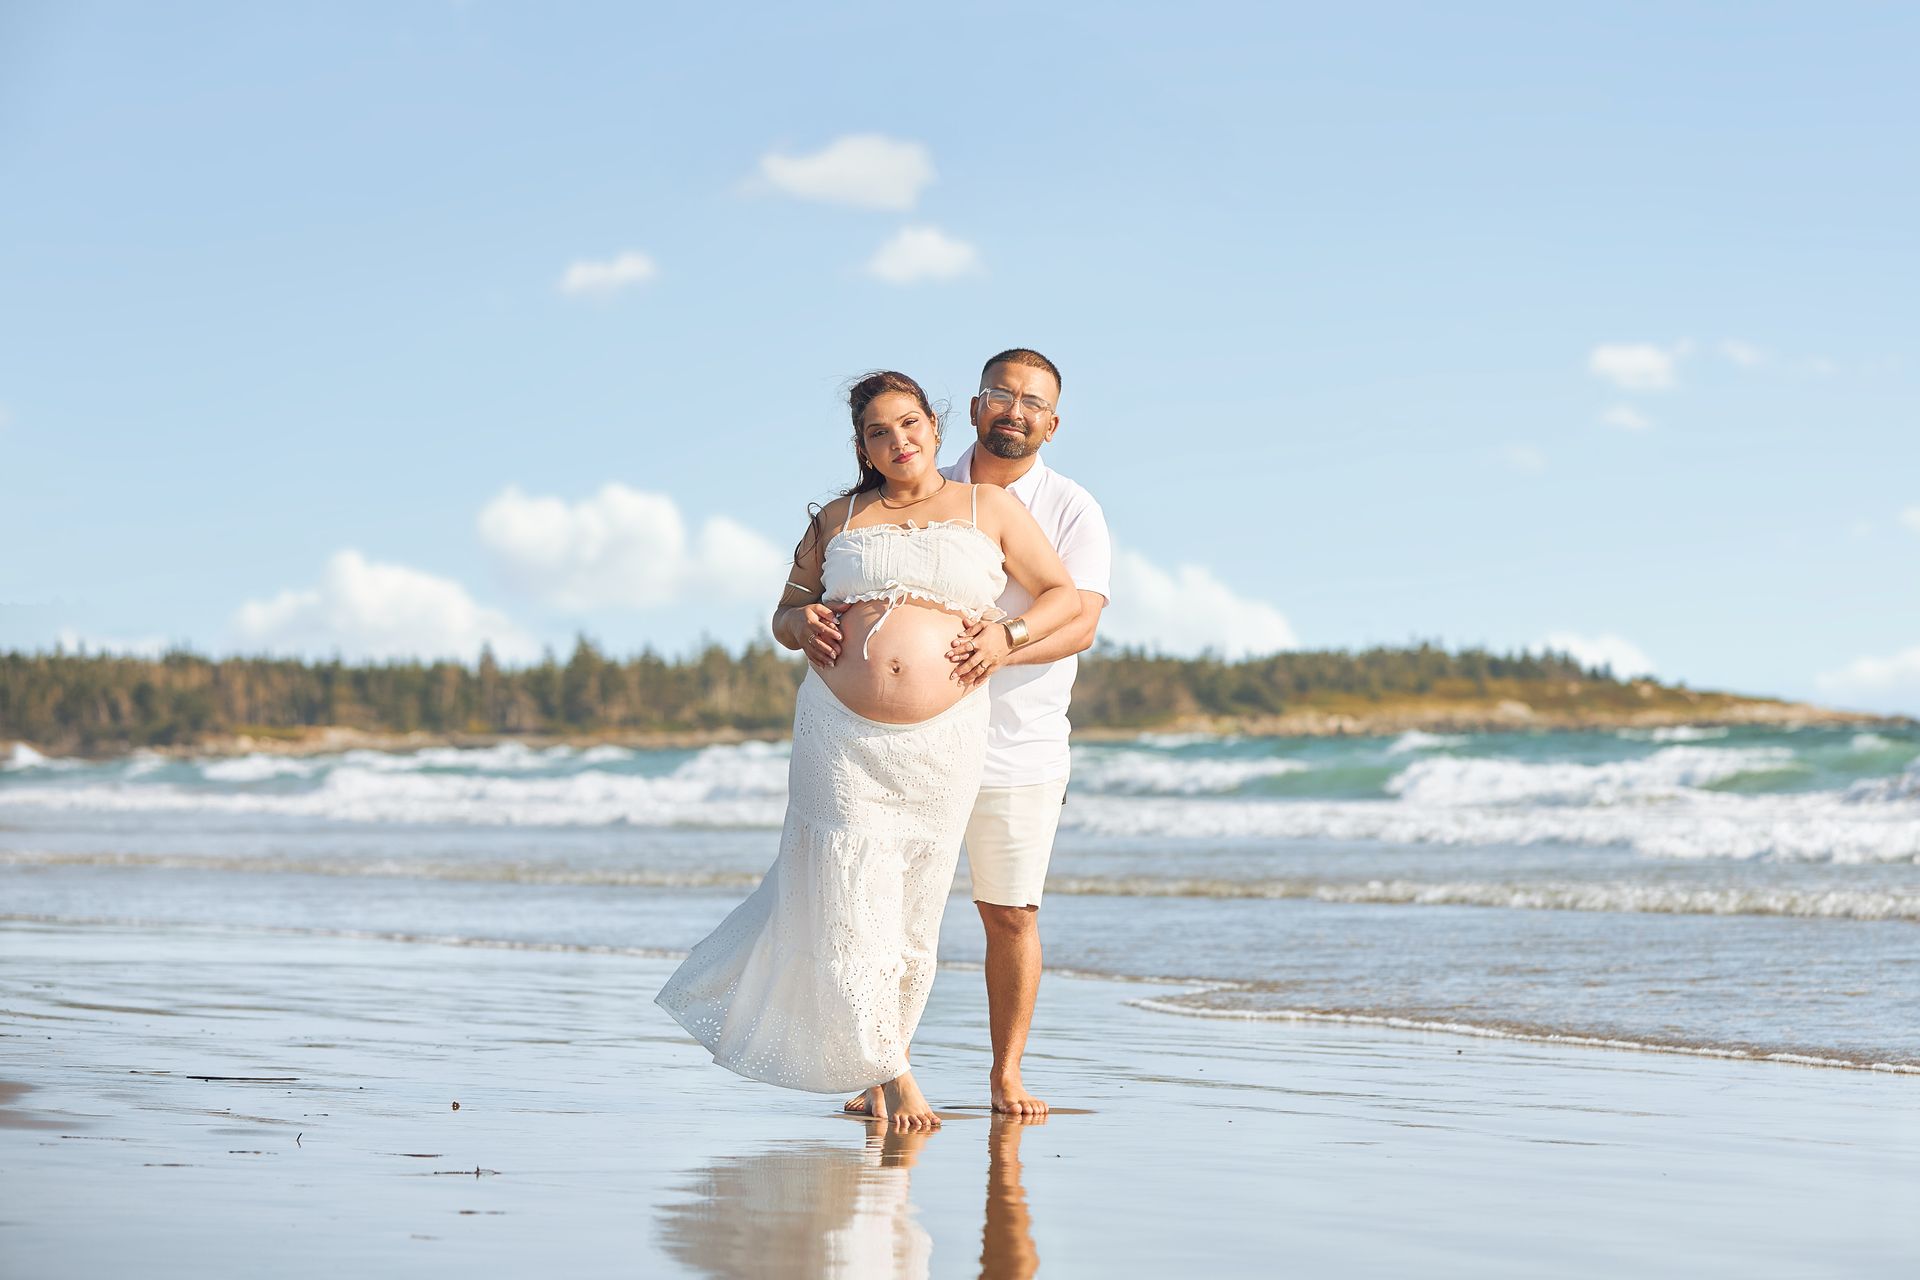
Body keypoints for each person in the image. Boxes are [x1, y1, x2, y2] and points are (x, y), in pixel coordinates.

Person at [655, 370, 1081, 1133]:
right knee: (852, 894)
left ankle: (880, 1061)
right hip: (840, 735)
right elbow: (784, 613)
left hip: (943, 740)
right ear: (863, 447)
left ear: (936, 428)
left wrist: (1004, 635)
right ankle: (893, 1070)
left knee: (913, 906)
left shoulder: (992, 508)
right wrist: (804, 623)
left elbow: (1064, 597)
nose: (899, 441)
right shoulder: (837, 517)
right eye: (880, 432)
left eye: (910, 424)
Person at [943, 348, 1110, 1118]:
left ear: (1053, 423)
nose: (1016, 410)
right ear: (976, 406)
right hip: (917, 737)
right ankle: (879, 1070)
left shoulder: (1072, 506)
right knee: (894, 901)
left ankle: (1005, 1074)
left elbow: (1079, 624)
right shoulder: (925, 490)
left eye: (1033, 402)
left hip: (1022, 742)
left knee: (1010, 912)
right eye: (1001, 395)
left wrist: (999, 647)